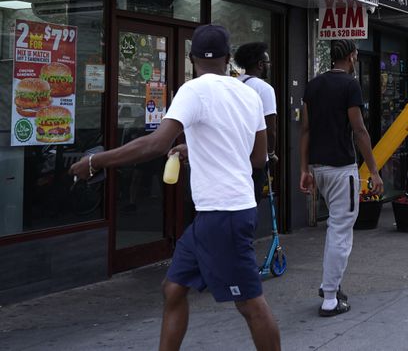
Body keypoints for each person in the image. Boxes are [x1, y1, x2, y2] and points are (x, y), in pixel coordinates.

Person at [70, 25, 281, 350]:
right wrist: (193, 150)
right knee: (173, 288)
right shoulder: (249, 94)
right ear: (227, 59)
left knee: (250, 304)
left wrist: (96, 162)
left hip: (222, 214)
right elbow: (256, 159)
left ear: (191, 57)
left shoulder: (193, 90)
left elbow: (156, 144)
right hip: (221, 213)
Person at [300, 39, 383, 317]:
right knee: (340, 231)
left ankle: (330, 285)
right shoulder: (350, 85)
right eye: (356, 54)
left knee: (334, 228)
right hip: (341, 169)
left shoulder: (313, 85)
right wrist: (373, 169)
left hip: (319, 168)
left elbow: (306, 131)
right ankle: (331, 298)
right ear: (350, 56)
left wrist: (304, 169)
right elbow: (359, 131)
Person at [234, 42, 278, 201]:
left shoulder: (233, 84)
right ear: (260, 64)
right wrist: (271, 154)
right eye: (267, 63)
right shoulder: (265, 89)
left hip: (234, 154)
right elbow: (270, 129)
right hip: (255, 158)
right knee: (252, 202)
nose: (269, 66)